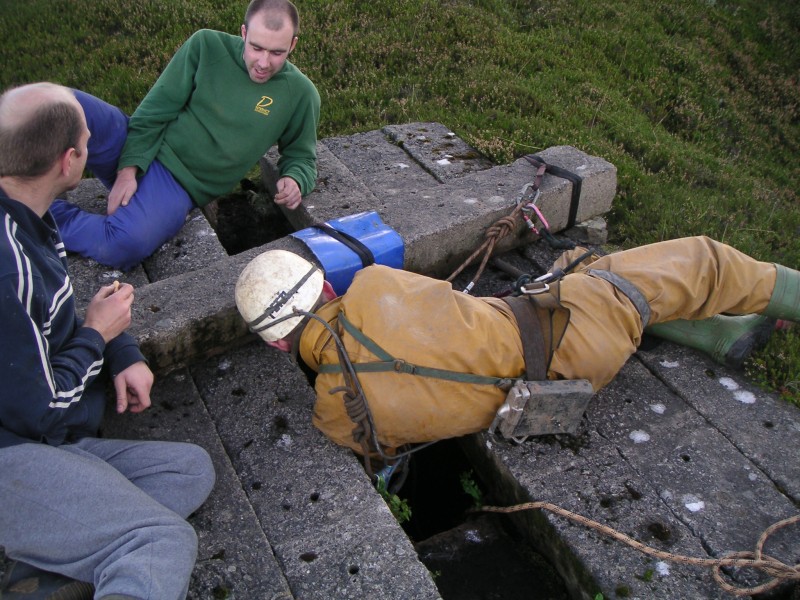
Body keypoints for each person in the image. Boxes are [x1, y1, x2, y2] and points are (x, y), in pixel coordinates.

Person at [234, 240, 799, 457]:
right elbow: (451, 309)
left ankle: (718, 333)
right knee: (701, 261)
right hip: (578, 333)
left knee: (585, 270)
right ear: (328, 287)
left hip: (556, 390)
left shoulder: (333, 416)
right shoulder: (378, 285)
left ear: (278, 344)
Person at [0, 83, 216, 599]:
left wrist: (120, 350)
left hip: (36, 434)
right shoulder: (7, 264)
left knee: (188, 470)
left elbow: (44, 320)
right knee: (160, 539)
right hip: (17, 444)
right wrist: (98, 334)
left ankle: (43, 576)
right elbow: (42, 409)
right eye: (87, 134)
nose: (96, 137)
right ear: (70, 159)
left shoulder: (29, 211)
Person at [49, 0, 320, 271]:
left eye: (276, 53)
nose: (263, 62)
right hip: (136, 142)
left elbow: (302, 157)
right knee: (55, 102)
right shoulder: (206, 46)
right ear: (244, 33)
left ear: (293, 45)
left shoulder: (300, 95)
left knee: (123, 245)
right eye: (256, 47)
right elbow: (154, 111)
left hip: (177, 185)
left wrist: (294, 179)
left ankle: (39, 216)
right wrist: (127, 170)